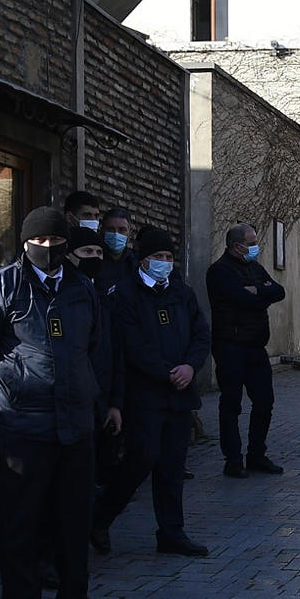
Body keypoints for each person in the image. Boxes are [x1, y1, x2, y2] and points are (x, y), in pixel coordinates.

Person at [0, 207, 119, 599]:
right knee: (21, 523)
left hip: (74, 425)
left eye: (55, 241)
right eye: (40, 241)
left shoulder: (83, 289)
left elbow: (94, 348)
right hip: (21, 428)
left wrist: (95, 400)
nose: (48, 249)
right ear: (26, 242)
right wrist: (9, 390)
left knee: (73, 517)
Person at [92, 227, 211, 556]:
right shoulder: (124, 295)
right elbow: (131, 344)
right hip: (144, 394)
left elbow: (201, 332)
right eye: (158, 257)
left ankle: (171, 531)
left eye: (169, 258)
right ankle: (100, 516)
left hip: (179, 393)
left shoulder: (181, 292)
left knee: (173, 465)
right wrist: (165, 372)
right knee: (140, 459)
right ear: (142, 260)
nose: (164, 263)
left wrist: (190, 366)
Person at [205, 224, 286, 478]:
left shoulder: (255, 268)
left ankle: (256, 454)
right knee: (231, 403)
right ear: (236, 246)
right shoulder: (220, 271)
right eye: (250, 242)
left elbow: (278, 291)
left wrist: (259, 290)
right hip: (230, 345)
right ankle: (232, 459)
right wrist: (259, 294)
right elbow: (242, 300)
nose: (254, 246)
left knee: (264, 401)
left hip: (255, 346)